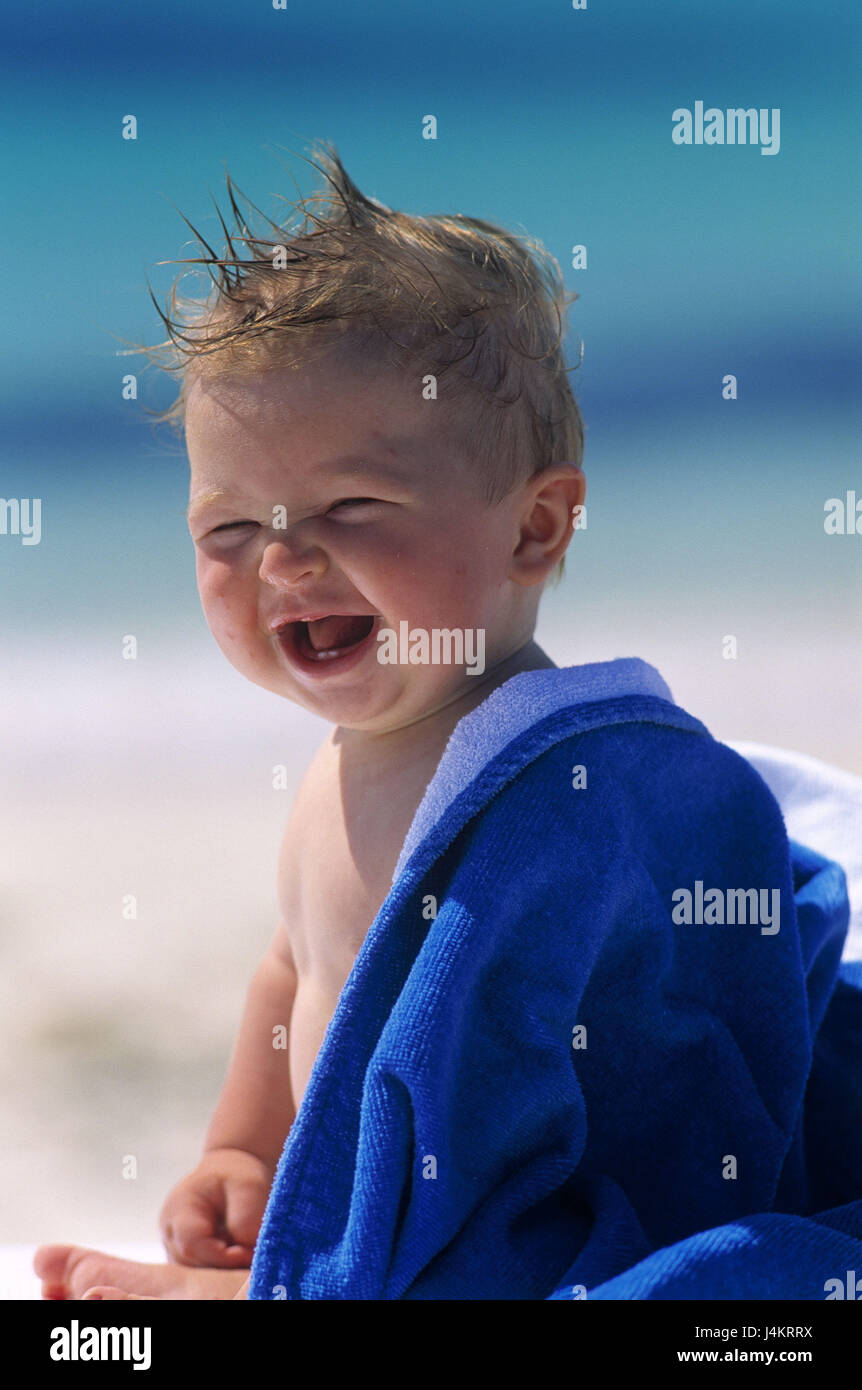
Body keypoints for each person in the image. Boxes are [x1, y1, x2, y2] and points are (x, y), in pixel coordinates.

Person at [34, 144, 862, 1302]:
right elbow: (297, 965)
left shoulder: (562, 805)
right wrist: (245, 1147)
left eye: (352, 507)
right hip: (379, 1205)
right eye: (228, 529)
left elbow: (567, 1091)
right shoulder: (344, 763)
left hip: (492, 1224)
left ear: (534, 528)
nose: (282, 559)